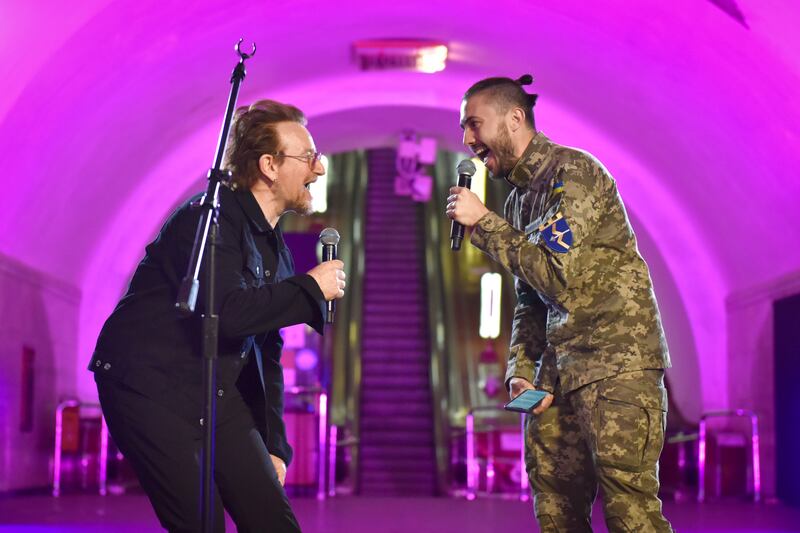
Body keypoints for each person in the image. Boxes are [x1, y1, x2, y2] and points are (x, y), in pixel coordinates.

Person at [89, 99, 345, 532]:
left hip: (214, 392)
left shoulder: (275, 249)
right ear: (269, 164)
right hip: (150, 386)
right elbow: (226, 314)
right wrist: (309, 288)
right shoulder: (210, 219)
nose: (318, 170)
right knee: (202, 525)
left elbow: (267, 354)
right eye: (309, 158)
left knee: (273, 520)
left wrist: (274, 445)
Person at [446, 76, 673, 532]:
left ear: (515, 118)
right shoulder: (517, 202)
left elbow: (556, 274)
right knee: (556, 511)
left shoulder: (574, 174)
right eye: (462, 129)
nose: (468, 141)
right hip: (556, 378)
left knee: (630, 514)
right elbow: (532, 298)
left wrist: (485, 224)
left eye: (474, 125)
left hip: (616, 368)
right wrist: (521, 369)